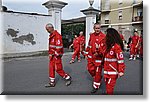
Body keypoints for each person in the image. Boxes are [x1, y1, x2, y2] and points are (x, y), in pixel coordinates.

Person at [45, 23, 72, 87]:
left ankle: (67, 78)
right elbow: (51, 46)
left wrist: (55, 54)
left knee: (58, 69)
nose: (47, 31)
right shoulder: (52, 35)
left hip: (56, 56)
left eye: (47, 29)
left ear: (51, 28)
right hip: (52, 55)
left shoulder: (57, 36)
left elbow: (59, 47)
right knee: (51, 68)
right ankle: (52, 82)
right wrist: (50, 54)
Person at [103, 28, 126, 95]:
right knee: (107, 87)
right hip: (106, 71)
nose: (105, 36)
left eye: (107, 35)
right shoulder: (108, 46)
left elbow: (120, 60)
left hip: (113, 72)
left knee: (109, 89)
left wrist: (121, 71)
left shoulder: (116, 47)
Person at [85, 23, 106, 93]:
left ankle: (96, 86)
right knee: (89, 69)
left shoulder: (103, 37)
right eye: (96, 28)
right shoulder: (91, 35)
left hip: (98, 57)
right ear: (94, 28)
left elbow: (104, 49)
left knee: (97, 72)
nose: (97, 30)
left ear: (100, 28)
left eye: (98, 28)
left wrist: (99, 52)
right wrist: (87, 52)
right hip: (91, 56)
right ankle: (98, 77)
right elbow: (89, 44)